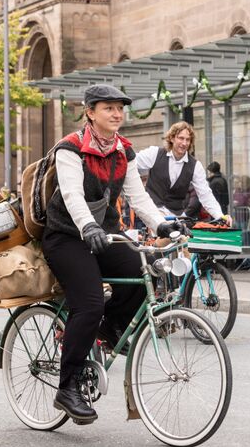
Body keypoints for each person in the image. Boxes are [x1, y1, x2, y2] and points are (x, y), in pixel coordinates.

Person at [42, 84, 186, 425]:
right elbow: (73, 195)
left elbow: (138, 196)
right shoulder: (70, 148)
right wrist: (87, 226)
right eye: (108, 107)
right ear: (90, 112)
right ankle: (67, 387)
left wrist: (162, 224)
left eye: (120, 108)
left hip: (107, 233)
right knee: (89, 303)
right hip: (67, 236)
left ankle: (110, 328)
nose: (117, 113)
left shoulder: (124, 150)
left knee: (148, 267)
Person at [136, 122, 227, 222]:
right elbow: (131, 162)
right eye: (181, 138)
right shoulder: (154, 153)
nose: (184, 143)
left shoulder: (195, 166)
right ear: (172, 138)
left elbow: (205, 195)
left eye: (188, 140)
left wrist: (220, 216)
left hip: (175, 217)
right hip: (151, 213)